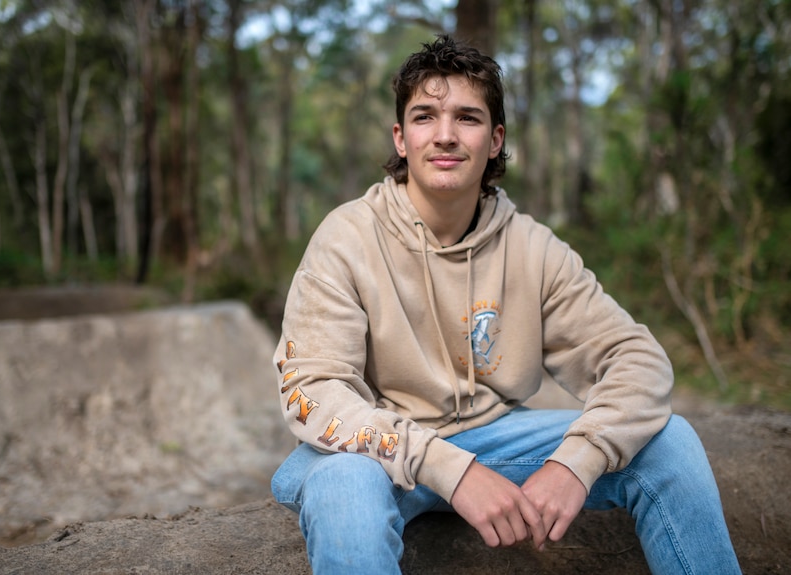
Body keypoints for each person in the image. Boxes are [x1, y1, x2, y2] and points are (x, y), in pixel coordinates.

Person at [271, 34, 741, 575]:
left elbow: (637, 359)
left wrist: (575, 464)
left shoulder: (532, 248)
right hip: (378, 456)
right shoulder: (346, 238)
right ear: (401, 138)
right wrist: (450, 469)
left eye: (467, 118)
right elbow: (312, 389)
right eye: (425, 117)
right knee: (345, 482)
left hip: (499, 442)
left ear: (495, 140)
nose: (444, 136)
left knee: (670, 443)